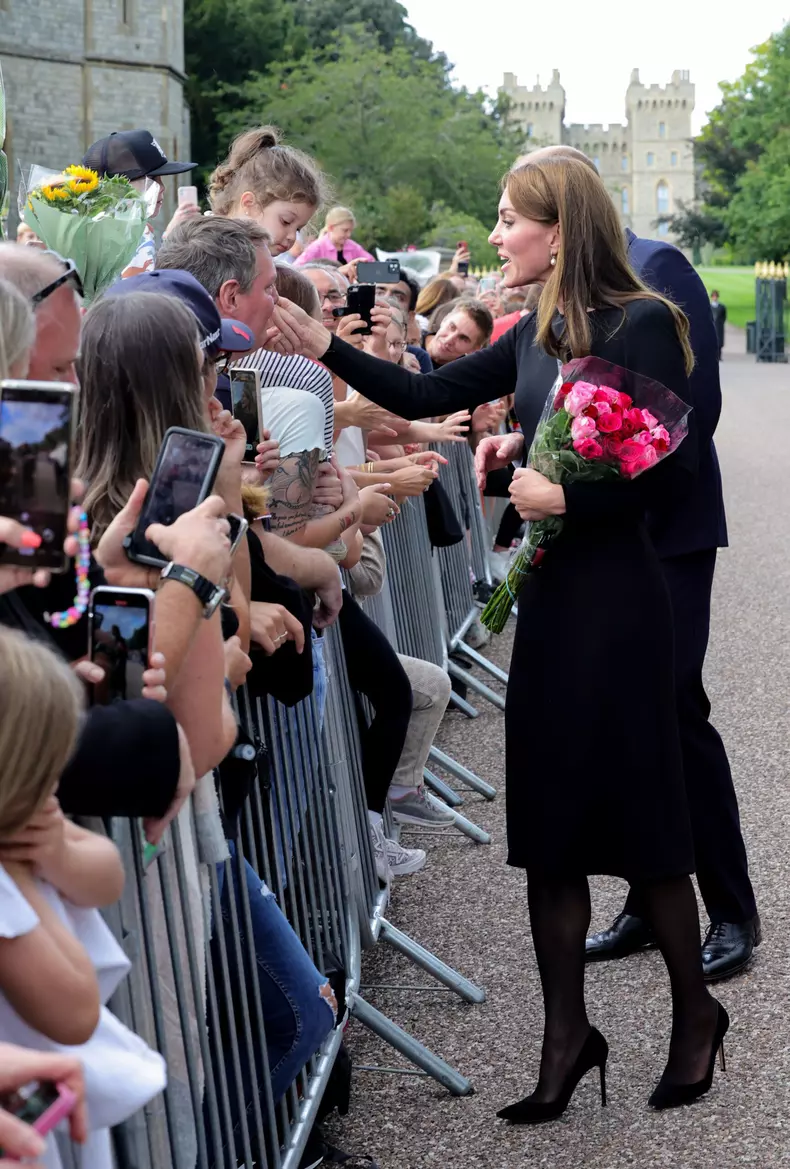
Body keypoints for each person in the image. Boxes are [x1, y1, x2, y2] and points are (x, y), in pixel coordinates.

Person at [268, 152, 731, 1120]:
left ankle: (696, 1014)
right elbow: (424, 394)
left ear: (558, 230)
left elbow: (672, 471)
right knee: (550, 828)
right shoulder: (538, 328)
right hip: (554, 604)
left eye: (509, 217)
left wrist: (570, 497)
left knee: (643, 819)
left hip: (620, 602)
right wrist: (319, 344)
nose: (494, 233)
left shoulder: (641, 320)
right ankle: (566, 1036)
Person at [524, 145, 757, 982]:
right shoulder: (553, 293)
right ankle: (648, 899)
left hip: (666, 534)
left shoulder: (660, 269)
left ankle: (731, 909)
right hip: (599, 539)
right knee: (626, 723)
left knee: (674, 709)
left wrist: (607, 492)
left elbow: (694, 410)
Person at [0, 626, 166, 1168]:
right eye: (46, 769)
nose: (56, 787)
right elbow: (75, 1009)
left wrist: (54, 853)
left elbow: (109, 874)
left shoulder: (32, 824)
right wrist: (18, 874)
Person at [82, 128, 197, 276]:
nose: (162, 187)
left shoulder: (104, 230)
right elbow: (145, 287)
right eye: (152, 179)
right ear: (117, 187)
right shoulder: (130, 234)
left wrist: (169, 239)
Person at [208, 125, 327, 258]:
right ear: (249, 204)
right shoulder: (205, 252)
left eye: (298, 229)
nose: (292, 237)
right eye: (286, 221)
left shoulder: (253, 256)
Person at [295, 206, 374, 267]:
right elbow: (297, 267)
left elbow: (372, 264)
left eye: (350, 231)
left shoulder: (352, 247)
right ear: (331, 228)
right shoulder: (317, 247)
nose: (349, 235)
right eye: (345, 230)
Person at [424, 300, 493, 367]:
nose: (448, 340)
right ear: (444, 320)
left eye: (463, 338)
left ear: (474, 349)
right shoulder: (416, 342)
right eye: (452, 327)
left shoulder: (464, 373)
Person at [710, 290, 726, 360]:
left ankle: (719, 356)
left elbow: (724, 317)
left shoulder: (722, 307)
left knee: (719, 341)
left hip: (719, 326)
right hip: (712, 326)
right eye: (713, 296)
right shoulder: (709, 306)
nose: (715, 298)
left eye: (716, 296)